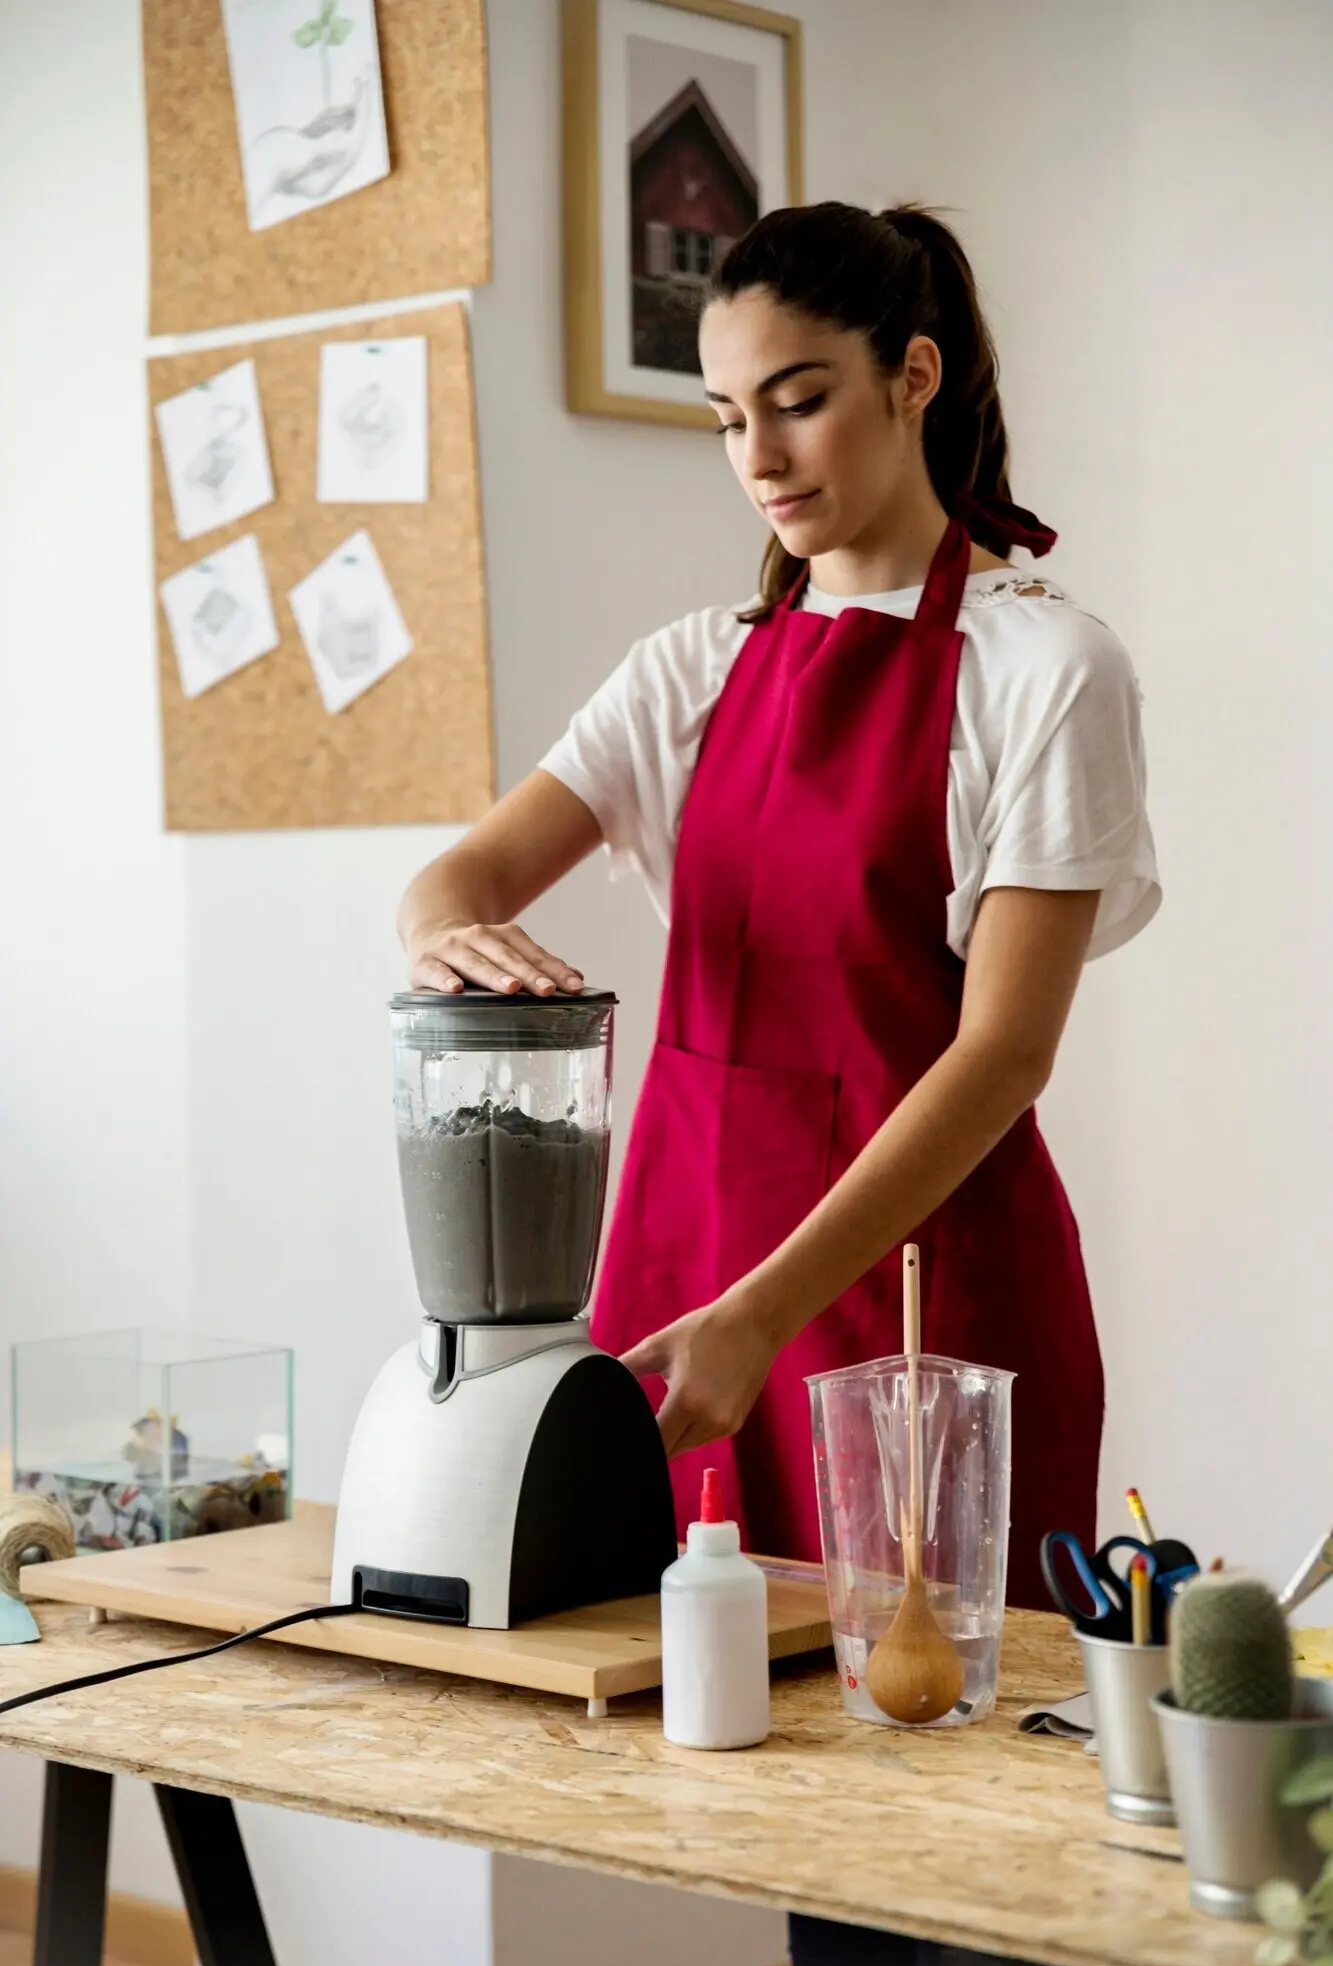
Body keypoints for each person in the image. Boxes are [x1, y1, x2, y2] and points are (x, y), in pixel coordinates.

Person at [401, 196, 1158, 1616]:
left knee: (929, 1753)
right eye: (726, 415)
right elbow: (455, 881)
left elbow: (1004, 1052)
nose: (758, 456)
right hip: (683, 1285)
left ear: (913, 377)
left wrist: (769, 1311)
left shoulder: (1046, 670)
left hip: (921, 1315)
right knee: (668, 1725)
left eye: (799, 403)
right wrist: (447, 937)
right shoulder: (694, 667)